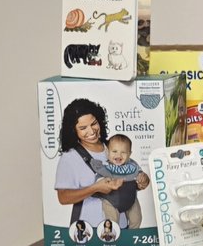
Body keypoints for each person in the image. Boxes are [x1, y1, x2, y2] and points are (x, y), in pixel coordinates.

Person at [54, 98, 149, 229]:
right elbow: (63, 198)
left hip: (122, 229)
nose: (91, 131)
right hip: (89, 230)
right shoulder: (70, 157)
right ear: (73, 130)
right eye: (83, 128)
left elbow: (126, 177)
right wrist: (95, 188)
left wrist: (140, 183)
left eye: (94, 123)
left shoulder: (114, 148)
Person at [97, 132, 145, 229]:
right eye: (114, 151)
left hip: (130, 198)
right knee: (112, 222)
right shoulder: (105, 167)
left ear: (129, 154)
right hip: (111, 200)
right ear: (107, 152)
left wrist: (142, 177)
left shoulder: (132, 166)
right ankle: (113, 236)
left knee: (137, 219)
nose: (118, 155)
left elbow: (139, 174)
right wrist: (106, 181)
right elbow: (98, 180)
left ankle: (132, 236)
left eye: (123, 152)